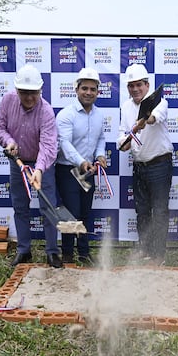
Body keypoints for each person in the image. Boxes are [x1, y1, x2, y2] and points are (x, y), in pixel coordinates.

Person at [0, 64, 63, 269]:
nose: (29, 97)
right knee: (20, 206)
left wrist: (39, 170)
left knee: (48, 207)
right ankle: (24, 250)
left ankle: (52, 252)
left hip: (44, 163)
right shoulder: (7, 100)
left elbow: (48, 145)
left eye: (33, 93)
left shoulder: (46, 111)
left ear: (40, 90)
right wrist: (8, 142)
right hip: (18, 162)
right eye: (24, 93)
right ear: (17, 90)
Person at [117, 63, 172, 265]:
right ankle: (145, 249)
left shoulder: (160, 102)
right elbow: (122, 136)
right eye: (131, 86)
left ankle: (158, 255)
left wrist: (144, 120)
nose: (135, 89)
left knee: (159, 211)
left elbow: (154, 118)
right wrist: (123, 143)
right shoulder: (125, 106)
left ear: (147, 85)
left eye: (138, 85)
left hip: (159, 165)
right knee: (142, 210)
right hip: (139, 165)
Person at [55, 68, 107, 265]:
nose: (88, 92)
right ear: (76, 90)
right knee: (71, 214)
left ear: (97, 92)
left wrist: (100, 155)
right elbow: (65, 144)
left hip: (88, 172)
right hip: (68, 170)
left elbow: (101, 138)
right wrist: (82, 162)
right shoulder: (66, 115)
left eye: (93, 89)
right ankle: (67, 254)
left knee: (85, 212)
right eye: (84, 88)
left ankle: (84, 253)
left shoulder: (99, 115)